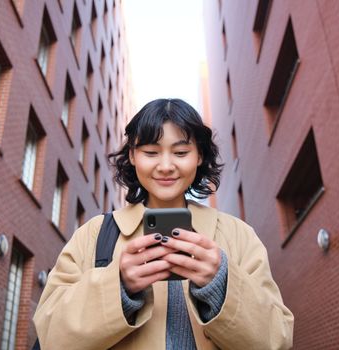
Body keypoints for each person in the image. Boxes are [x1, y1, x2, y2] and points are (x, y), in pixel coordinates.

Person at [33, 98, 294, 349]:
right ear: (133, 156)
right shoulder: (95, 233)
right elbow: (50, 335)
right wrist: (119, 285)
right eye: (151, 152)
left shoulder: (239, 235)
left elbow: (276, 339)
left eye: (180, 152)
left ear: (199, 156)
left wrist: (221, 283)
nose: (166, 166)